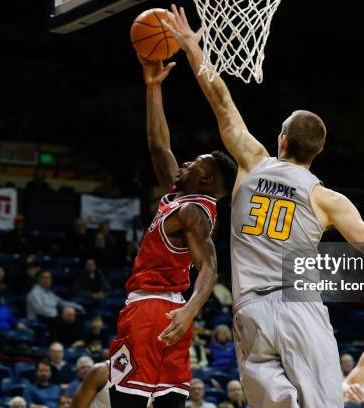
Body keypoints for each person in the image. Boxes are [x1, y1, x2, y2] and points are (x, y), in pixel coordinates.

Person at [161, 6, 364, 408]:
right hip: (300, 309)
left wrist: (192, 47)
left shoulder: (252, 160)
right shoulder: (327, 200)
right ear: (320, 151)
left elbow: (221, 100)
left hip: (251, 311)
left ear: (281, 139)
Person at [107, 53, 236, 408]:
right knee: (168, 400)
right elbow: (158, 147)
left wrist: (192, 309)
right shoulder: (181, 198)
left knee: (127, 399)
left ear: (206, 178)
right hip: (171, 311)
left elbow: (210, 266)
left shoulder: (192, 212)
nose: (185, 163)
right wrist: (153, 87)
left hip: (150, 310)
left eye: (194, 163)